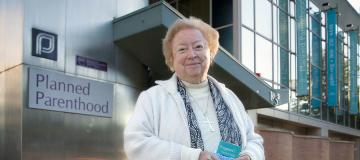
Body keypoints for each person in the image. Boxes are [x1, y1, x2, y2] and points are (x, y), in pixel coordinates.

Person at [124, 17, 264, 160]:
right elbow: (135, 143)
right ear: (172, 59)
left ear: (210, 52)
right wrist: (192, 156)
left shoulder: (230, 97)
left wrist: (249, 156)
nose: (192, 55)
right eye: (182, 49)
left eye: (198, 46)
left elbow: (254, 140)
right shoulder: (152, 98)